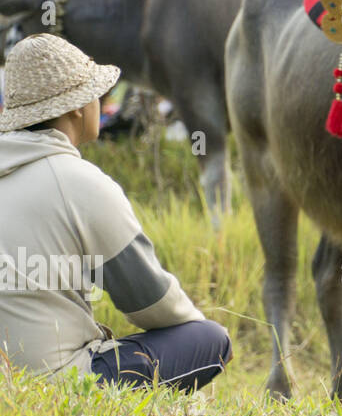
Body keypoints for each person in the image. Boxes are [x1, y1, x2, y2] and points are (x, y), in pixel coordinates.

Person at [0, 34, 231, 392]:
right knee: (209, 342)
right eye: (98, 92)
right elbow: (152, 303)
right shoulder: (80, 183)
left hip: (7, 381)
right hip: (57, 384)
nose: (100, 101)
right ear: (76, 107)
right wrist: (193, 332)